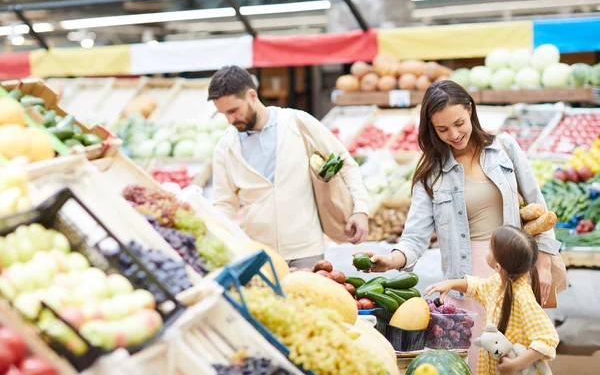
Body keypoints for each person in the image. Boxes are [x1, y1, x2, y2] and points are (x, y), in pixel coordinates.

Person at [356, 80, 560, 371]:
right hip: (465, 284)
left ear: (471, 110)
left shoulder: (505, 149)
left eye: (459, 123)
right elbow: (414, 239)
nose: (454, 134)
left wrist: (543, 265)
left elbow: (539, 210)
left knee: (520, 360)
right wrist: (390, 260)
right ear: (431, 129)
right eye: (442, 129)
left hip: (514, 275)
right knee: (475, 363)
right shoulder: (431, 173)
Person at [209, 66, 370, 269]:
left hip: (307, 250)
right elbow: (224, 203)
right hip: (259, 255)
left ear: (252, 96)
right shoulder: (226, 147)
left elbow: (345, 163)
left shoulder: (297, 123)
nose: (230, 120)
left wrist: (361, 209)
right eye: (223, 113)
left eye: (233, 110)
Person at [425, 225, 559, 375]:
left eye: (490, 249)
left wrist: (515, 365)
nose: (487, 251)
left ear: (497, 266)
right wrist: (450, 284)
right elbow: (476, 286)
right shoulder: (497, 283)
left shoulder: (523, 298)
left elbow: (546, 339)